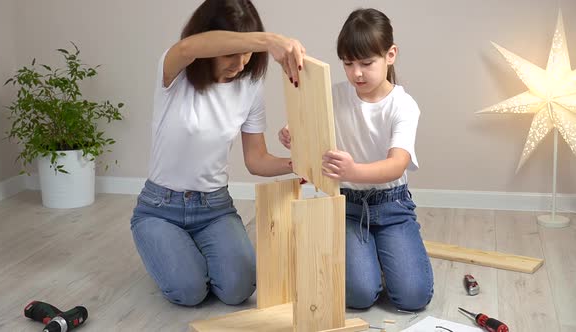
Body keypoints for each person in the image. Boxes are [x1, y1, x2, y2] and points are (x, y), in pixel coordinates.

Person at [131, 0, 305, 307]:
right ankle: (171, 249)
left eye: (247, 55)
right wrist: (269, 40)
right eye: (230, 54)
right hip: (160, 208)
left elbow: (256, 160)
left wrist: (300, 163)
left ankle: (192, 249)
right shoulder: (176, 71)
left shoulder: (249, 87)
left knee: (239, 290)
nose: (239, 64)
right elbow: (189, 48)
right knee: (189, 292)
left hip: (214, 208)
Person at [279, 8, 433, 310]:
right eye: (348, 64)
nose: (356, 73)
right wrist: (292, 135)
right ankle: (369, 256)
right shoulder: (334, 95)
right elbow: (307, 131)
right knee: (359, 296)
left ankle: (383, 253)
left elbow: (397, 163)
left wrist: (354, 170)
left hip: (392, 206)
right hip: (347, 206)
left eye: (366, 63)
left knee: (414, 297)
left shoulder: (402, 105)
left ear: (390, 55)